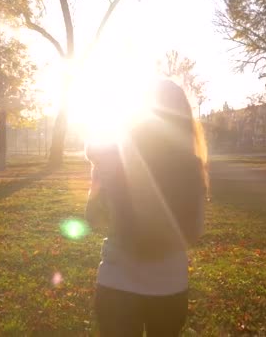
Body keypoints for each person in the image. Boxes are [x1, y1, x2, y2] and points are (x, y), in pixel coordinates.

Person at [86, 79, 208, 336]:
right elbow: (194, 233)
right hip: (169, 286)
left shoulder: (112, 160)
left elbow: (93, 219)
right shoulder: (191, 167)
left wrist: (101, 179)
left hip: (117, 284)